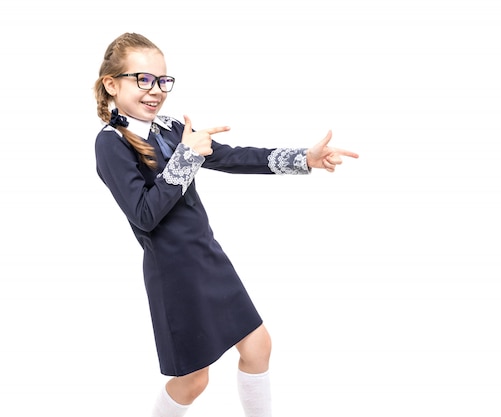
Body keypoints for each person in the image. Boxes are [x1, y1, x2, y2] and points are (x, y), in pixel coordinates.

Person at [93, 32, 358, 417]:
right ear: (112, 84)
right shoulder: (110, 143)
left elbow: (233, 158)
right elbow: (144, 214)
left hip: (208, 257)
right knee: (194, 380)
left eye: (162, 81)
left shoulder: (170, 129)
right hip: (174, 272)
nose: (156, 90)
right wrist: (185, 157)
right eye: (143, 79)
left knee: (258, 346)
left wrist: (305, 158)